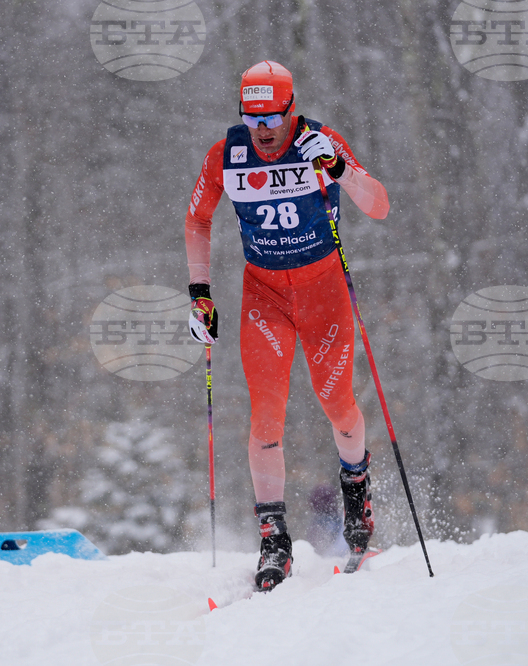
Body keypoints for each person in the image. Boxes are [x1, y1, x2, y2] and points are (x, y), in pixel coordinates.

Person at [183, 60, 390, 591]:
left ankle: (357, 505)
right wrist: (200, 293)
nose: (264, 130)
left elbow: (380, 205)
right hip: (265, 296)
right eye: (253, 120)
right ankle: (273, 541)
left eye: (273, 117)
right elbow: (197, 217)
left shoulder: (321, 141)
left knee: (337, 404)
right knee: (265, 415)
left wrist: (341, 171)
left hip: (324, 292)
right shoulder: (226, 155)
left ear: (291, 110)